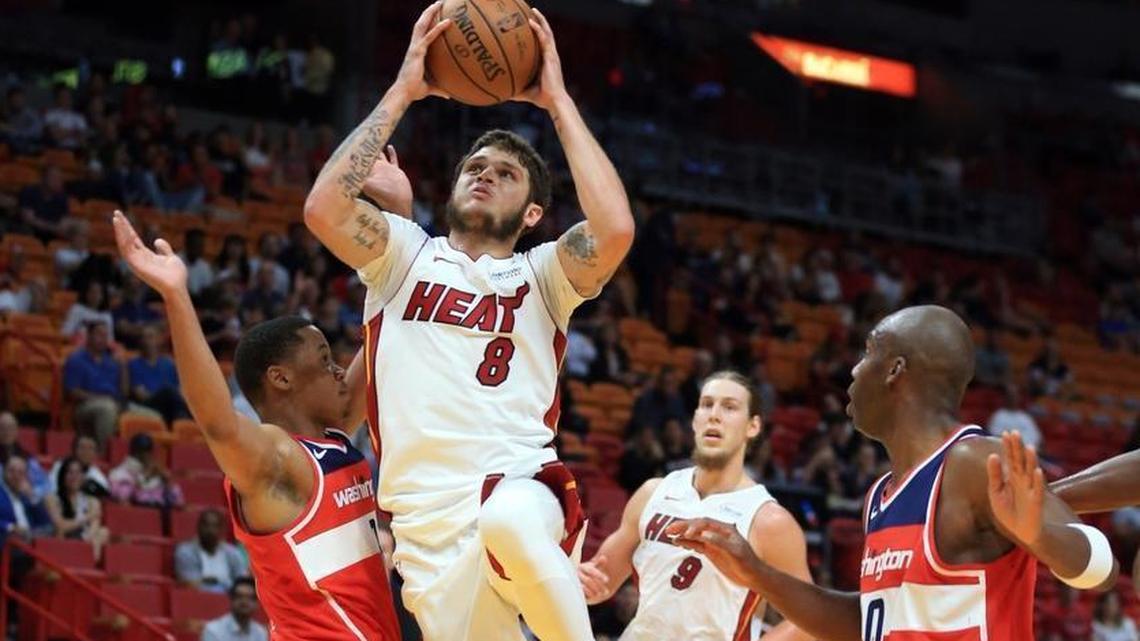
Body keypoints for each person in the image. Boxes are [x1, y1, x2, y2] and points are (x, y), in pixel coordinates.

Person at [303, 4, 634, 640]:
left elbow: (615, 229)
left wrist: (558, 102)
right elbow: (323, 208)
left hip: (521, 489)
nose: (484, 176)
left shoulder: (544, 277)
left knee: (508, 519)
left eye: (505, 174)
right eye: (474, 168)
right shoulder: (404, 255)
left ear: (534, 213)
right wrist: (402, 89)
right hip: (427, 533)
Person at [669, 306, 1118, 640]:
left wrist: (1039, 536)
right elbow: (867, 622)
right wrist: (756, 572)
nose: (854, 368)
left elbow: (1103, 568)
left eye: (867, 353)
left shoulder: (974, 461)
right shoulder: (882, 493)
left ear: (895, 371)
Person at [112, 211, 399, 639]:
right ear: (281, 378)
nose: (339, 370)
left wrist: (399, 238)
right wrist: (176, 296)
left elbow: (382, 339)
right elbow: (219, 425)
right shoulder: (281, 461)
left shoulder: (334, 437)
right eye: (323, 360)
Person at [578, 371, 812, 641]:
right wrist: (579, 580)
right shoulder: (652, 493)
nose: (714, 414)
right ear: (695, 419)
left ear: (753, 426)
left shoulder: (768, 520)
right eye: (706, 404)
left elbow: (808, 620)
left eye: (729, 407)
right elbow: (602, 581)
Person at [44, 457, 110, 560]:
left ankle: (86, 561)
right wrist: (86, 517)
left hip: (84, 541)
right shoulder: (51, 498)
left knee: (103, 532)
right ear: (63, 476)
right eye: (70, 473)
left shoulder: (93, 501)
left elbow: (94, 527)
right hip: (61, 541)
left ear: (83, 477)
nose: (74, 477)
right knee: (59, 532)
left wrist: (84, 540)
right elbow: (61, 526)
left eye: (78, 473)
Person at [175, 509, 249, 593]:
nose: (210, 530)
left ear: (221, 530)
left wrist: (210, 581)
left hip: (230, 600)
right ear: (198, 527)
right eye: (206, 525)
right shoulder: (186, 552)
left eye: (215, 526)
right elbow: (189, 585)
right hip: (197, 599)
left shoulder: (233, 554)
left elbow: (243, 584)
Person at [108, 433, 184, 508]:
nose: (147, 456)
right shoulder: (120, 474)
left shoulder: (157, 474)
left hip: (160, 515)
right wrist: (145, 477)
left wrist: (168, 482)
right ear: (134, 453)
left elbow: (178, 503)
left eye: (148, 451)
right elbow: (124, 501)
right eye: (143, 452)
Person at [201, 577, 269, 641]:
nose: (244, 601)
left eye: (250, 597)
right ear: (231, 599)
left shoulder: (260, 632)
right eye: (239, 596)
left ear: (256, 603)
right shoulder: (213, 630)